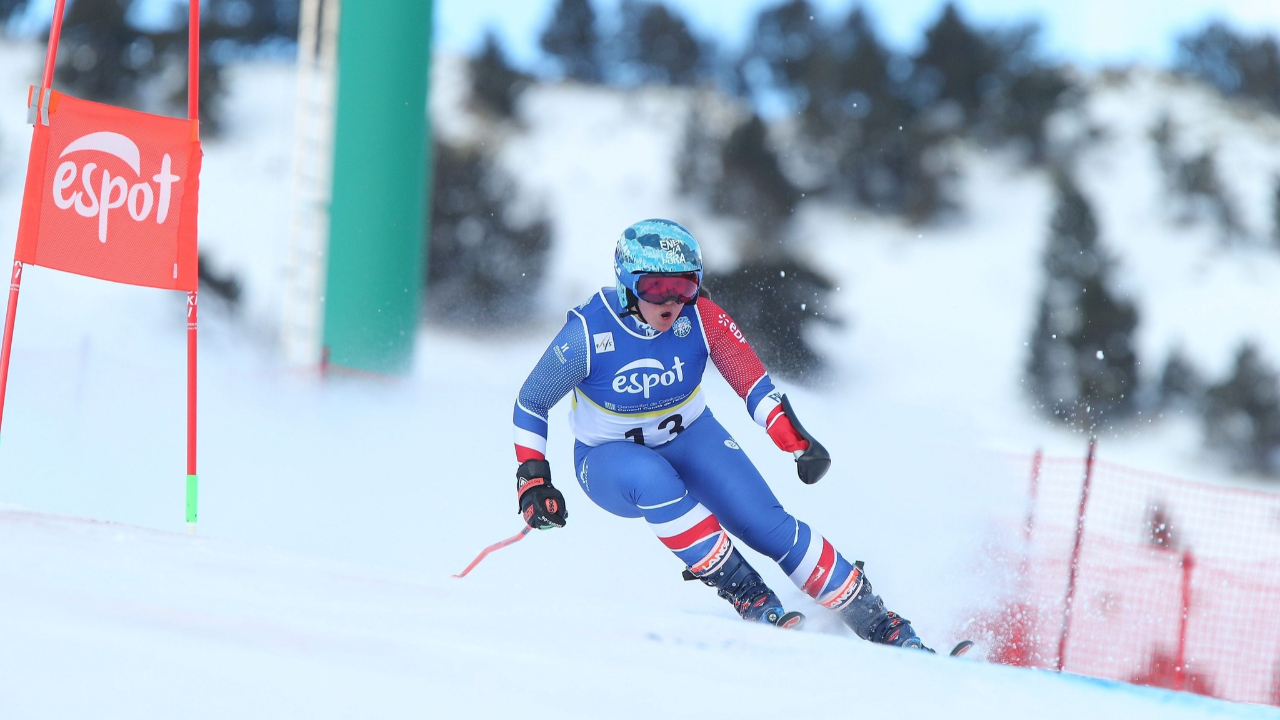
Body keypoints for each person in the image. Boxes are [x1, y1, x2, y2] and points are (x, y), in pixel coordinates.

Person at [511, 218, 930, 650]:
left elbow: (751, 381)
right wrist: (534, 479)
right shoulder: (588, 332)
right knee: (654, 479)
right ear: (627, 284)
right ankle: (752, 597)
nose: (672, 302)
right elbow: (531, 401)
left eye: (686, 286)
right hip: (607, 458)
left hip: (691, 436)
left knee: (769, 524)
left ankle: (882, 624)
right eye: (656, 288)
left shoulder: (701, 318)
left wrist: (794, 439)